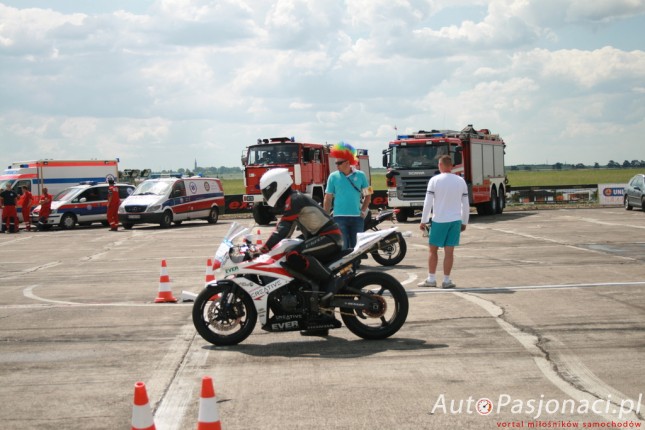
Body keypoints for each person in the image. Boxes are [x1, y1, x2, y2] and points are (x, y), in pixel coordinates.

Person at [259, 168, 343, 336]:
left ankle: (329, 282)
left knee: (293, 255)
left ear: (278, 185)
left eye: (268, 190)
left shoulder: (294, 199)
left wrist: (264, 248)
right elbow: (286, 231)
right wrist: (270, 247)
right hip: (321, 236)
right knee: (287, 252)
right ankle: (319, 320)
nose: (267, 195)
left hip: (329, 237)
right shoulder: (293, 199)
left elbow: (282, 228)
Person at [417, 155, 469, 289]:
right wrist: (465, 221)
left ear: (440, 165)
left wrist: (424, 220)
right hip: (455, 220)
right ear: (451, 166)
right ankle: (446, 280)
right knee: (449, 252)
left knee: (432, 250)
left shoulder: (434, 180)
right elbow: (465, 204)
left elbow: (428, 202)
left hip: (439, 220)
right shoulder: (460, 181)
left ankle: (431, 278)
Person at [324, 142, 372, 250]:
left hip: (357, 218)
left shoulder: (361, 175)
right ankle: (346, 267)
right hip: (339, 218)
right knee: (343, 247)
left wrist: (363, 211)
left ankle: (356, 265)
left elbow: (368, 195)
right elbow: (328, 197)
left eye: (339, 163)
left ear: (347, 162)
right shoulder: (333, 177)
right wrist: (326, 216)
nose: (336, 165)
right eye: (335, 163)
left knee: (357, 247)